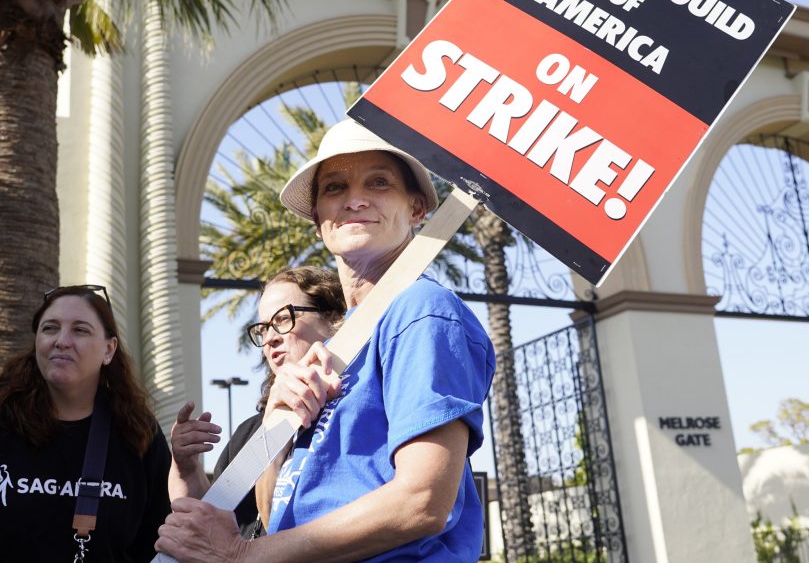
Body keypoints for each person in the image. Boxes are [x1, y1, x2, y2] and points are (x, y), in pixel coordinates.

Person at [156, 119, 496, 562]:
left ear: (416, 209)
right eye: (335, 187)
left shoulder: (422, 310)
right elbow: (276, 513)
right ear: (319, 220)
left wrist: (240, 556)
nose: (355, 199)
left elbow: (423, 501)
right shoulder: (341, 344)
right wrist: (277, 422)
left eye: (379, 183)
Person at [168, 266, 345, 539]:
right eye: (262, 329)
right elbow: (208, 524)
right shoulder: (247, 435)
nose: (270, 338)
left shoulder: (358, 409)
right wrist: (185, 468)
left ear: (333, 318)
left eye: (284, 319)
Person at [0, 284, 171, 561]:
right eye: (50, 328)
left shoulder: (138, 433)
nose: (62, 341)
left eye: (80, 330)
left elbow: (157, 541)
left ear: (109, 349)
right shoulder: (5, 421)